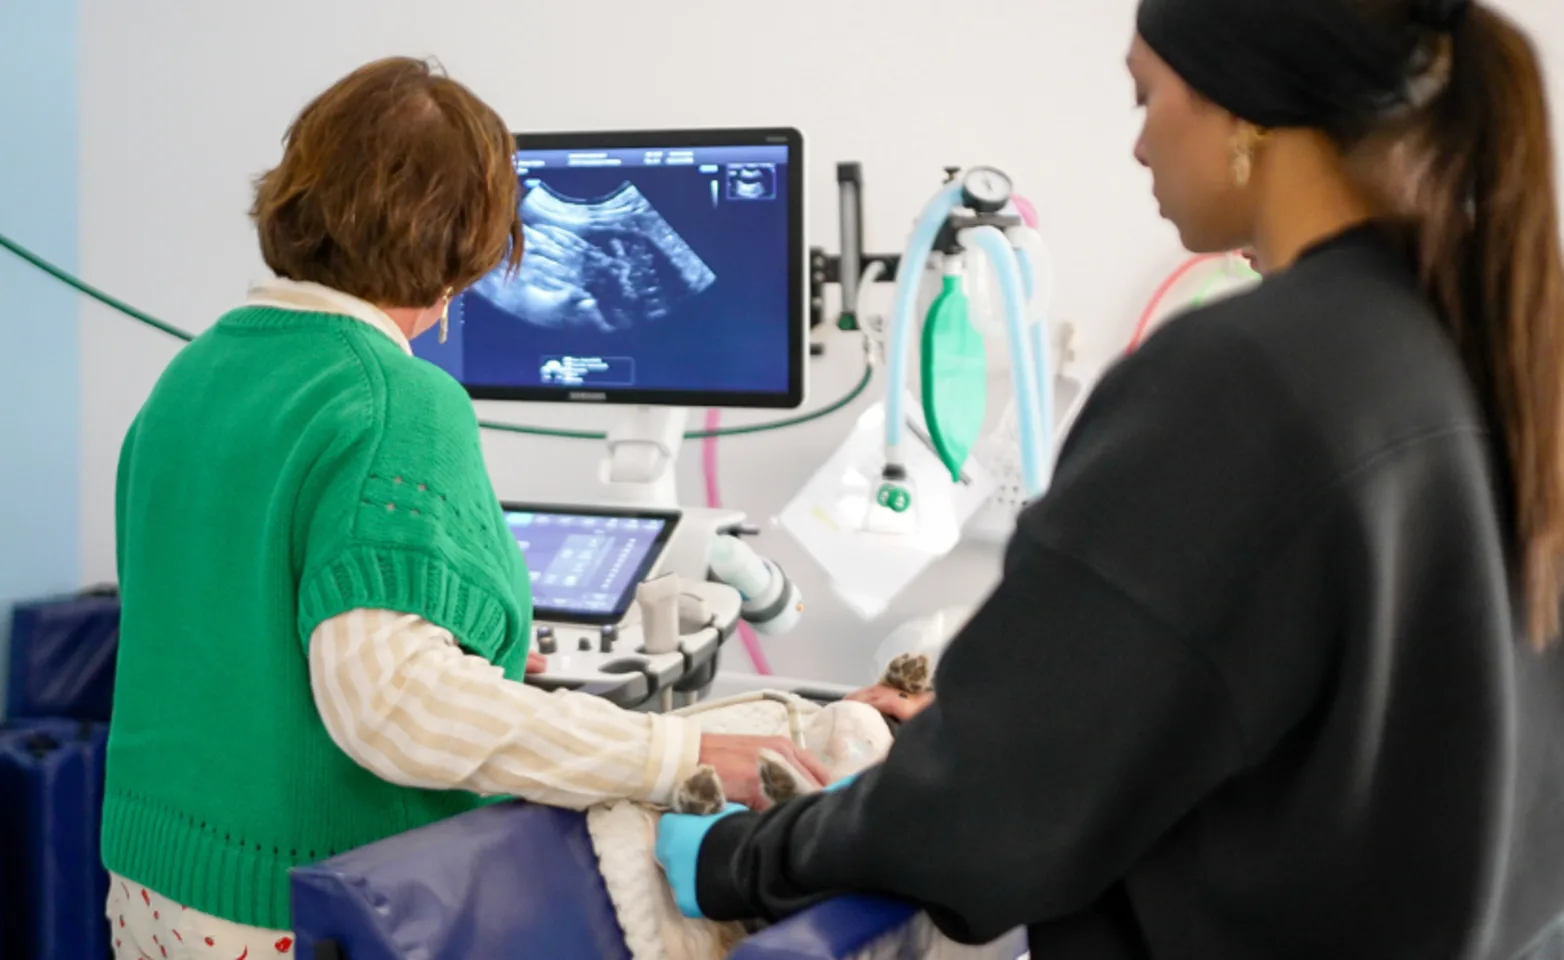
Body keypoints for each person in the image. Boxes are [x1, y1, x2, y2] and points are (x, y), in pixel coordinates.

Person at [656, 0, 1564, 956]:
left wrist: (737, 855)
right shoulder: (1495, 349)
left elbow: (986, 814)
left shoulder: (1247, 379)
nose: (1137, 146)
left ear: (1243, 109)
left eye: (1146, 96)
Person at [100, 56, 827, 959]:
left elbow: (226, 627)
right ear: (466, 242)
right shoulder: (396, 399)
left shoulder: (194, 371)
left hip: (154, 887)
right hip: (305, 908)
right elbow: (393, 706)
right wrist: (673, 758)